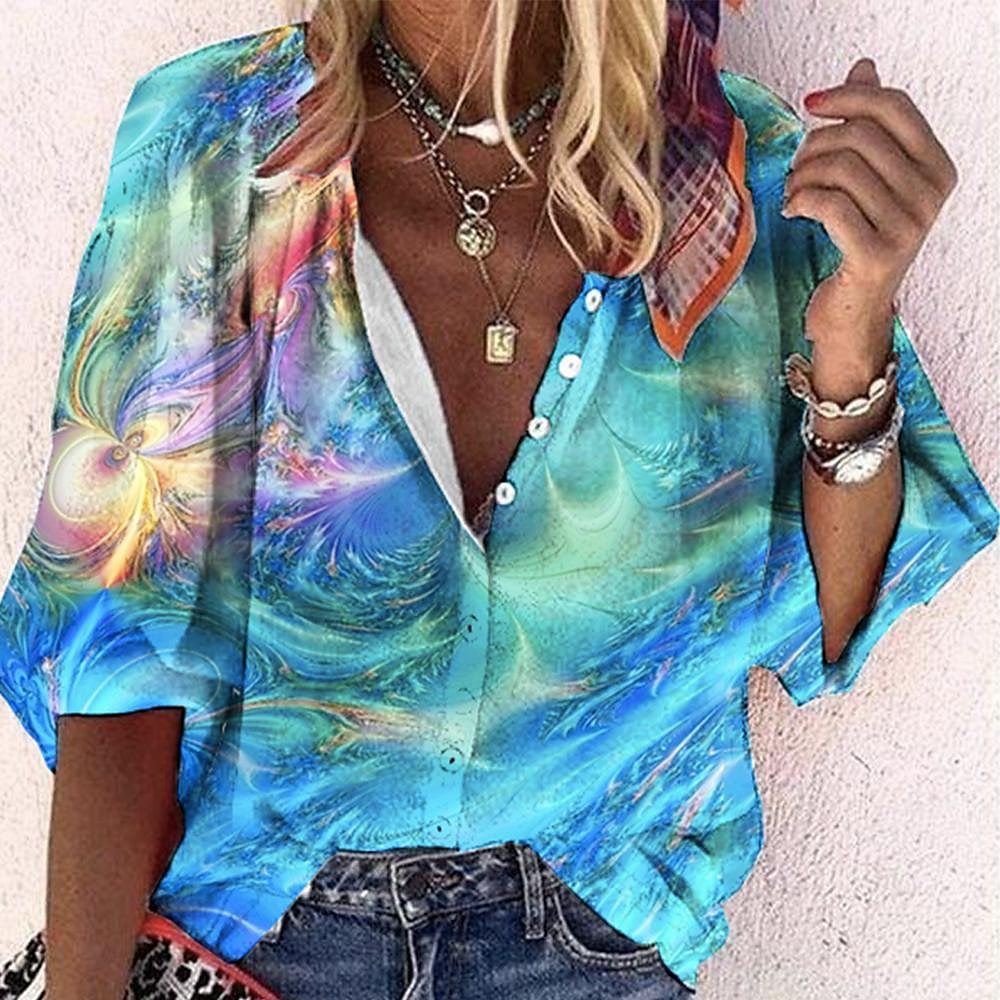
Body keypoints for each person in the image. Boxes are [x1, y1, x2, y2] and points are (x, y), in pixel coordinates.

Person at [0, 1, 996, 998]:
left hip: (593, 930)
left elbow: (835, 609)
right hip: (262, 929)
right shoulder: (219, 141)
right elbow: (115, 643)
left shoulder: (734, 174)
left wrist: (856, 322)